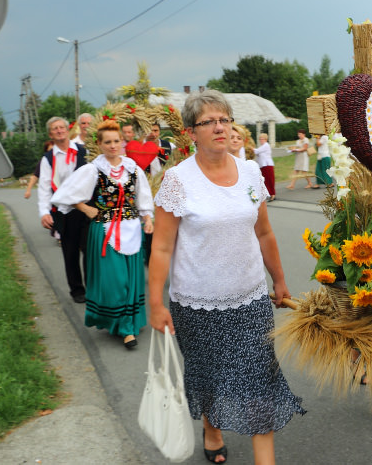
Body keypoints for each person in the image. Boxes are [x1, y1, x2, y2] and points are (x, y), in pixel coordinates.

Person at [148, 89, 305, 464]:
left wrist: (279, 280)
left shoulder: (250, 171)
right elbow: (162, 248)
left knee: (259, 383)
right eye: (208, 122)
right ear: (191, 133)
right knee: (208, 377)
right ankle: (212, 429)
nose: (219, 127)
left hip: (250, 299)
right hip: (196, 304)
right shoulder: (177, 180)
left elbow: (264, 232)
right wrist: (154, 302)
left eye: (224, 120)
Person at [51, 120, 153, 349]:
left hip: (131, 230)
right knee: (115, 281)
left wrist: (147, 219)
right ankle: (123, 326)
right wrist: (85, 207)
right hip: (104, 231)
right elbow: (62, 195)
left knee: (132, 280)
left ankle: (128, 323)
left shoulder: (132, 168)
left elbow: (143, 198)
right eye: (108, 142)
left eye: (117, 141)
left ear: (122, 142)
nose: (113, 146)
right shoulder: (92, 170)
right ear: (99, 144)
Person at [37, 117, 90, 303]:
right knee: (70, 251)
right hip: (64, 212)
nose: (59, 131)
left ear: (68, 130)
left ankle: (92, 288)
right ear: (50, 134)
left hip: (86, 209)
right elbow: (44, 187)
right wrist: (44, 212)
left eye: (62, 127)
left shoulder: (84, 152)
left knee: (89, 250)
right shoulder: (48, 159)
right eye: (55, 129)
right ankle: (77, 290)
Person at [255, 133, 276, 201]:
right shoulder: (261, 146)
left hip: (267, 165)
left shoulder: (266, 145)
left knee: (269, 180)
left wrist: (249, 147)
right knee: (265, 181)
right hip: (263, 165)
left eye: (262, 139)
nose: (261, 140)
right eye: (260, 139)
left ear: (266, 139)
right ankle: (268, 194)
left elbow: (257, 151)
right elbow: (258, 154)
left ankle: (272, 194)